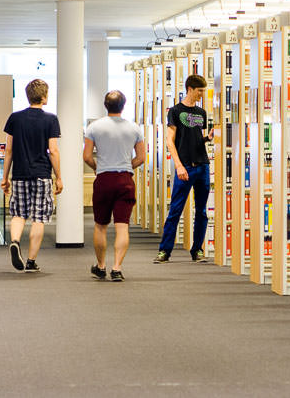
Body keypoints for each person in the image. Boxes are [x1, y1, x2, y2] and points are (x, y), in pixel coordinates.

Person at [83, 90, 146, 282]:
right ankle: (117, 268)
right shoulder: (134, 129)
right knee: (122, 227)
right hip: (125, 180)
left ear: (105, 105)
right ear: (123, 105)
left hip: (104, 179)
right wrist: (127, 166)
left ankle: (101, 266)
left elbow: (86, 156)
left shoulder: (94, 127)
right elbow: (141, 157)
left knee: (100, 226)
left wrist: (98, 167)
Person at [1, 79, 63, 273]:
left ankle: (15, 242)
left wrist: (5, 177)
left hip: (19, 174)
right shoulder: (50, 119)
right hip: (42, 175)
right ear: (44, 97)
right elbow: (53, 150)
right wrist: (58, 176)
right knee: (38, 218)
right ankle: (31, 261)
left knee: (18, 214)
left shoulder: (15, 118)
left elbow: (9, 150)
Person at [155, 74, 212, 264]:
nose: (202, 94)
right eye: (199, 91)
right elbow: (170, 141)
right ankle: (164, 251)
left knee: (202, 211)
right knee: (176, 210)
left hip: (202, 166)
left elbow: (196, 138)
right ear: (190, 89)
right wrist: (178, 165)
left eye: (203, 91)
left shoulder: (201, 113)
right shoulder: (175, 111)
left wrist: (207, 139)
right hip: (184, 167)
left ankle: (197, 250)